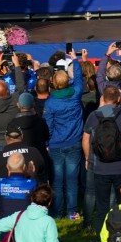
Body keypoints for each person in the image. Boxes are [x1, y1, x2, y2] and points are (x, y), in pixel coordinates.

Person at [83, 85, 121, 233]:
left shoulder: (94, 116)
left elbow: (86, 138)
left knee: (101, 208)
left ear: (103, 98)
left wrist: (88, 158)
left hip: (100, 167)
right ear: (118, 99)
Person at [43, 50, 84, 220]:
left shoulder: (51, 102)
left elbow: (48, 125)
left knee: (58, 181)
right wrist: (75, 60)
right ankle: (71, 211)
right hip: (73, 142)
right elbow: (80, 78)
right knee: (71, 180)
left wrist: (48, 141)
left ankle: (58, 213)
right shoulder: (75, 94)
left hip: (57, 144)